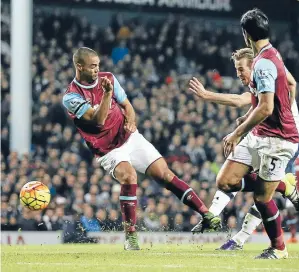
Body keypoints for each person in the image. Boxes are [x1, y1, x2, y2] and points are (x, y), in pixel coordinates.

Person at [62, 47, 221, 251]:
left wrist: (131, 120)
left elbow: (128, 105)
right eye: (92, 66)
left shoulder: (108, 77)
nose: (96, 70)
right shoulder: (71, 96)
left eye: (98, 65)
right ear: (79, 66)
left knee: (165, 174)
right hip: (108, 149)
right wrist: (107, 94)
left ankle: (205, 214)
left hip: (129, 137)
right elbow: (98, 121)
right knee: (129, 177)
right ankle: (131, 237)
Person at [188, 47, 299, 250]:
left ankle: (240, 239)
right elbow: (247, 101)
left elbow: (248, 100)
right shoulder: (256, 83)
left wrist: (207, 95)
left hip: (284, 137)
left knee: (262, 195)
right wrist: (249, 115)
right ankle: (283, 185)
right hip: (260, 133)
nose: (238, 74)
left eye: (241, 69)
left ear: (254, 66)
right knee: (226, 180)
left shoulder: (267, 71)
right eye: (237, 69)